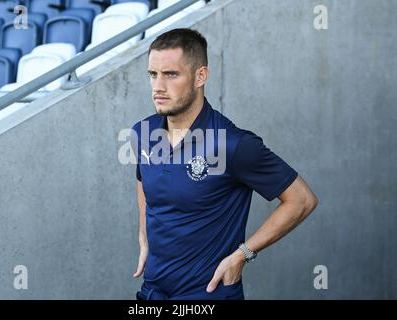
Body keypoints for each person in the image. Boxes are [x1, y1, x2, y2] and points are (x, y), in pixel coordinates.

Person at [130, 28, 318, 300]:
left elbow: (301, 200)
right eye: (153, 74)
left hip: (207, 294)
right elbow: (143, 180)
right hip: (153, 292)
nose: (158, 86)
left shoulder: (233, 144)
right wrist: (143, 233)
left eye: (171, 74)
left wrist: (242, 255)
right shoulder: (143, 133)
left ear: (200, 76)